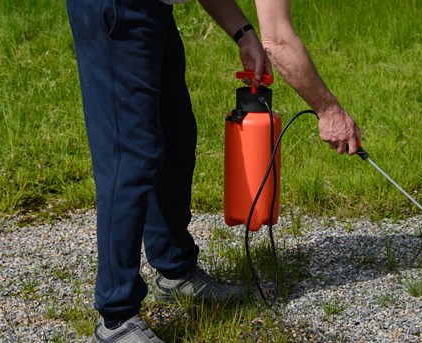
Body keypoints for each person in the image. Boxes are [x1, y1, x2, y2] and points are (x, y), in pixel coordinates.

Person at [65, 0, 361, 342]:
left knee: (175, 137)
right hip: (117, 10)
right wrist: (328, 110)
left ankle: (175, 269)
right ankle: (116, 317)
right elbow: (279, 41)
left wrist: (242, 32)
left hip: (152, 12)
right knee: (129, 156)